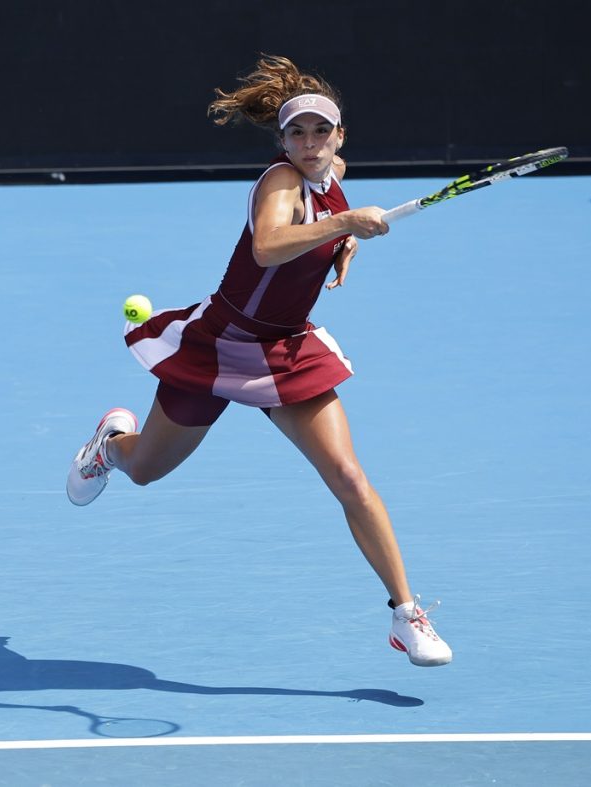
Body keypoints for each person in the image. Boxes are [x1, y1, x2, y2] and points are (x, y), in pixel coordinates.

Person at [66, 55, 451, 667]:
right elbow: (270, 247)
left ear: (339, 136)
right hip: (220, 344)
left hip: (287, 350)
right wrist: (346, 223)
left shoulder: (334, 173)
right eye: (296, 133)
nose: (309, 143)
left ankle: (407, 615)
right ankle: (111, 445)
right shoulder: (279, 183)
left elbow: (326, 219)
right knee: (146, 472)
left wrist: (341, 240)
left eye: (320, 131)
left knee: (350, 479)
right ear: (281, 142)